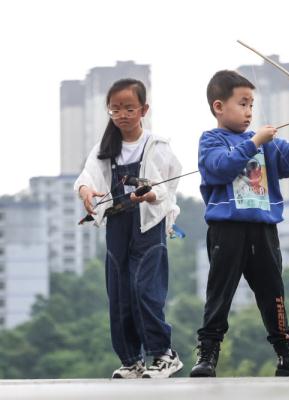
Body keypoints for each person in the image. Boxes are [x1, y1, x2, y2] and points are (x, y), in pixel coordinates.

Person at [190, 70, 289, 377]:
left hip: (263, 229)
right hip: (228, 230)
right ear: (218, 107)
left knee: (273, 292)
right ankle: (208, 355)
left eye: (252, 104)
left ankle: (287, 355)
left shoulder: (266, 144)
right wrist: (253, 143)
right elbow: (219, 169)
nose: (249, 111)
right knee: (219, 293)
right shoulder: (211, 140)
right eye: (242, 103)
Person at [75, 78, 183, 379]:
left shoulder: (156, 146)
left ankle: (164, 355)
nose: (122, 114)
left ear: (143, 109)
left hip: (148, 224)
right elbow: (88, 177)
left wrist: (154, 195)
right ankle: (131, 360)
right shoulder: (105, 147)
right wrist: (86, 191)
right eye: (115, 109)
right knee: (120, 291)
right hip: (118, 224)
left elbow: (170, 182)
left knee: (145, 289)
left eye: (129, 108)